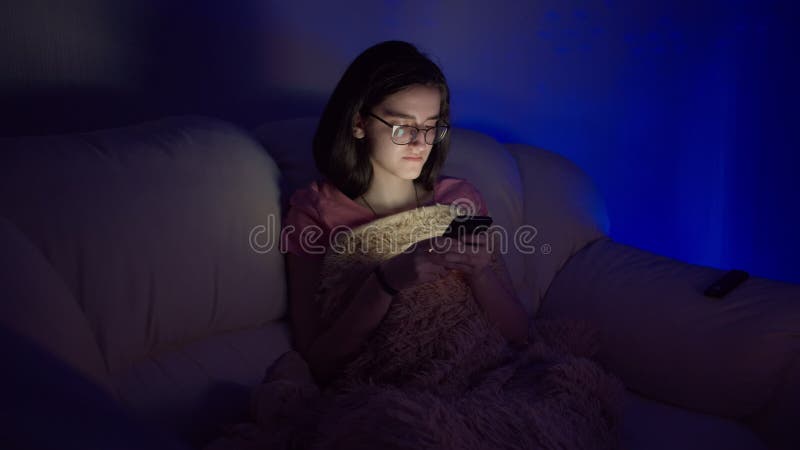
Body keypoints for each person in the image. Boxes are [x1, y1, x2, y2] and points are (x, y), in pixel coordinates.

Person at [282, 40, 530, 385]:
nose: (421, 143)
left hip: (479, 371)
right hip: (384, 388)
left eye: (432, 126)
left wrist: (481, 273)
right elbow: (317, 359)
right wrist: (384, 283)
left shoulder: (459, 199)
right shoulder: (314, 212)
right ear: (359, 123)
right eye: (403, 127)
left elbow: (520, 333)